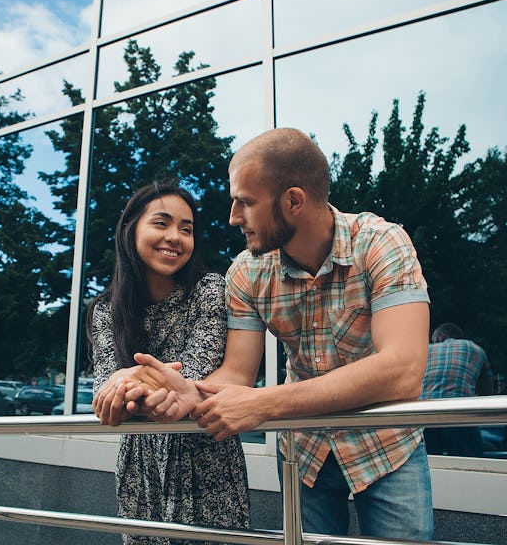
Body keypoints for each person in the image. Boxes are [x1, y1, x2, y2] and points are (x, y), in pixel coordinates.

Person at [102, 128, 434, 539]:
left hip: (387, 447)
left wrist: (264, 404)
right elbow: (237, 376)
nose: (232, 217)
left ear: (293, 201)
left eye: (245, 202)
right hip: (305, 452)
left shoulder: (382, 244)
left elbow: (403, 370)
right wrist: (192, 391)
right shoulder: (246, 272)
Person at [88, 182, 250, 544]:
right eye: (161, 224)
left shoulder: (208, 290)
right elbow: (104, 391)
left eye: (186, 229)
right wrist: (119, 384)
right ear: (131, 230)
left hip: (206, 456)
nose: (175, 237)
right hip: (140, 466)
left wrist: (127, 378)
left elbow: (191, 376)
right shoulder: (106, 310)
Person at [422, 322, 492, 457]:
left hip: (424, 416)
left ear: (440, 336)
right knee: (470, 464)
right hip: (459, 414)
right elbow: (487, 392)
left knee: (431, 465)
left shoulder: (425, 350)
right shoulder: (475, 349)